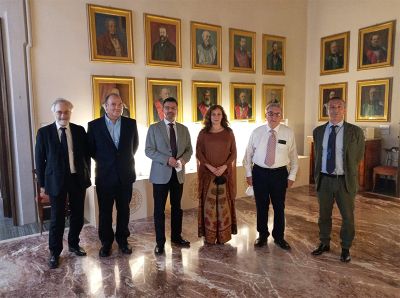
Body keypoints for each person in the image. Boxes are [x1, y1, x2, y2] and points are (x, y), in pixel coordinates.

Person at [35, 98, 91, 269]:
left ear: (70, 112)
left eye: (66, 111)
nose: (63, 115)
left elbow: (85, 156)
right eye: (59, 112)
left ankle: (74, 244)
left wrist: (86, 174)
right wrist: (43, 184)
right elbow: (40, 161)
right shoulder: (44, 132)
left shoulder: (79, 130)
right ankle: (55, 252)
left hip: (76, 179)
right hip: (55, 181)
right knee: (57, 218)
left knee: (78, 215)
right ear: (54, 113)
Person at [311, 96, 365, 263]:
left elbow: (359, 156)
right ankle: (324, 243)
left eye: (338, 106)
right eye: (331, 107)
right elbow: (318, 156)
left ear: (344, 109)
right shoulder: (318, 131)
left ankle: (345, 248)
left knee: (348, 217)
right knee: (324, 215)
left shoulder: (355, 131)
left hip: (344, 181)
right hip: (324, 180)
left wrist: (344, 170)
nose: (335, 110)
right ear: (327, 110)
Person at [87, 93, 139, 257]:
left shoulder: (131, 124)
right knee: (105, 212)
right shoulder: (94, 126)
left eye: (120, 104)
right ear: (105, 106)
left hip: (125, 176)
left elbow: (134, 146)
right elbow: (91, 150)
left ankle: (123, 240)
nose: (117, 108)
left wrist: (122, 161)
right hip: (105, 176)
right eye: (113, 104)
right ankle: (106, 243)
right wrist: (107, 162)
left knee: (124, 210)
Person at [243, 102, 298, 250]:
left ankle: (279, 237)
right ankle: (262, 235)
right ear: (265, 115)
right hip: (259, 173)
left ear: (282, 116)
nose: (274, 117)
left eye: (277, 114)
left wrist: (292, 176)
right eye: (270, 113)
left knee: (279, 206)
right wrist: (249, 174)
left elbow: (293, 157)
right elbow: (248, 155)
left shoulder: (288, 132)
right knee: (261, 206)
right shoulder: (256, 132)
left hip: (280, 174)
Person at [145, 97, 193, 255]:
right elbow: (149, 150)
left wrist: (183, 160)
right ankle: (160, 242)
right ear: (163, 110)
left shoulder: (184, 129)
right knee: (159, 210)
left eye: (173, 108)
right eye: (167, 108)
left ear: (177, 110)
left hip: (178, 175)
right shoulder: (154, 128)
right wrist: (167, 160)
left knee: (177, 208)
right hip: (160, 175)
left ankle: (176, 237)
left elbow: (189, 150)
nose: (170, 110)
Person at [196, 105, 237, 244]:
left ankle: (223, 236)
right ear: (209, 116)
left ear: (222, 116)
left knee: (223, 207)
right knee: (210, 208)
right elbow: (199, 152)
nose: (216, 117)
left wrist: (224, 166)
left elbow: (234, 153)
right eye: (213, 114)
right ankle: (210, 236)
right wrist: (210, 167)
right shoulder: (203, 133)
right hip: (208, 175)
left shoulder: (229, 133)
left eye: (219, 114)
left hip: (224, 174)